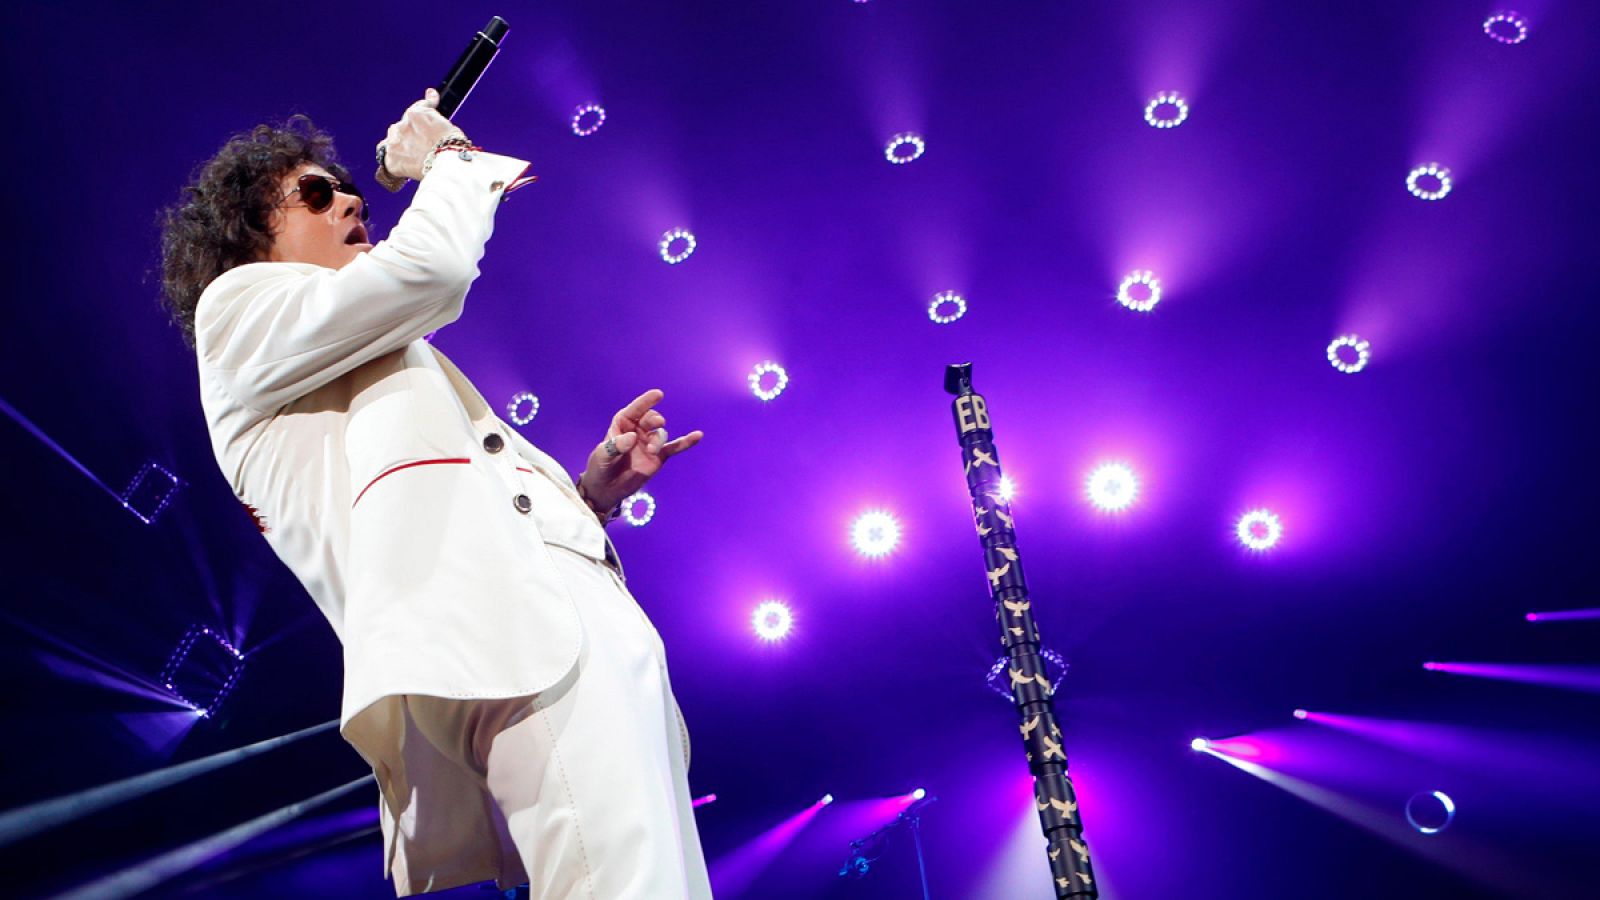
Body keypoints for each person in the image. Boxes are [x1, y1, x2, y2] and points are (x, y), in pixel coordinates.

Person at [157, 89, 711, 898]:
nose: (348, 198)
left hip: (551, 624)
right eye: (314, 194)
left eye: (343, 185)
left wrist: (591, 495)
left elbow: (466, 501)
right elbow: (436, 268)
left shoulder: (360, 353)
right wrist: (447, 160)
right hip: (513, 643)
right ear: (249, 236)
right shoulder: (237, 311)